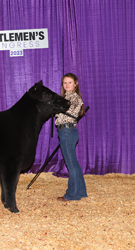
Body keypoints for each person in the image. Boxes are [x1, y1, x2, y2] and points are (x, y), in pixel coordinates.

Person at [55, 73, 88, 201]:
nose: (67, 85)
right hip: (66, 131)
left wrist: (54, 106)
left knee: (71, 164)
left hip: (67, 131)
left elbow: (66, 110)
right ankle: (80, 192)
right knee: (73, 163)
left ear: (75, 84)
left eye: (70, 82)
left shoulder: (74, 98)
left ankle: (72, 195)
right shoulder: (65, 98)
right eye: (65, 83)